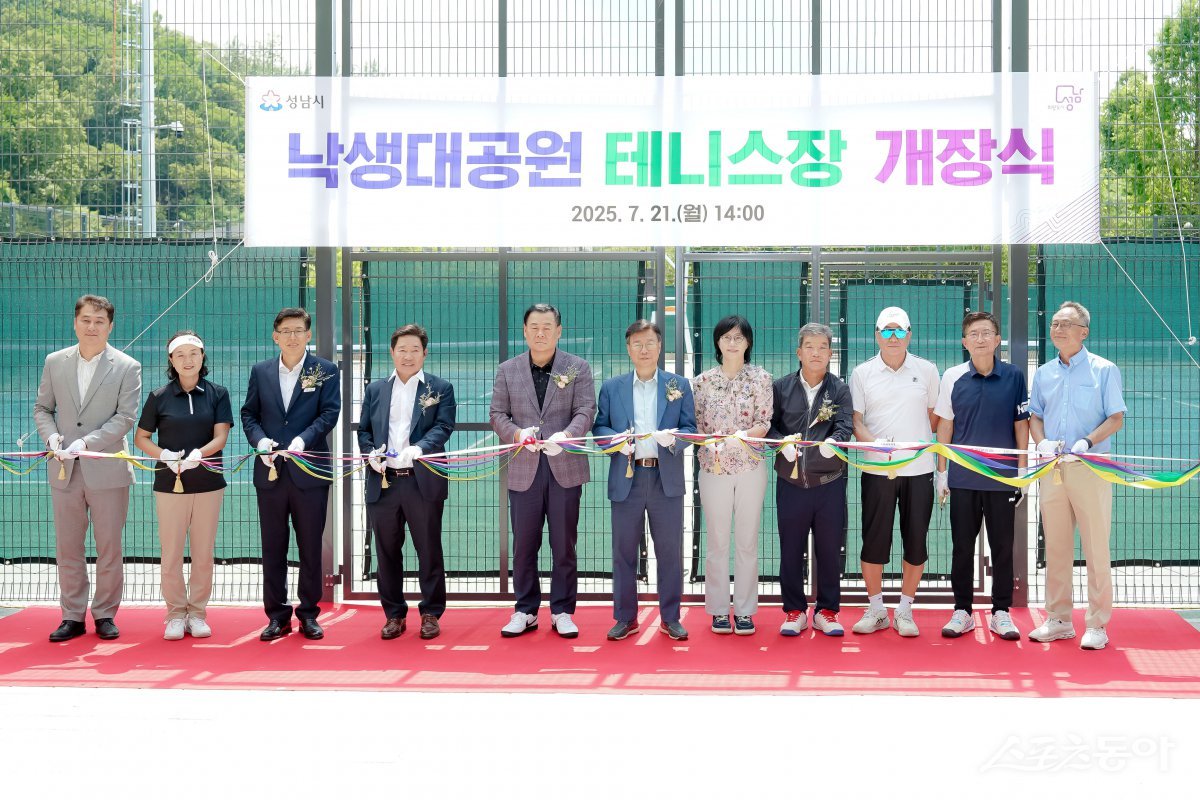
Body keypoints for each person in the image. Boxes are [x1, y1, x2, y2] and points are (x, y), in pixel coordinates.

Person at [33, 294, 141, 643]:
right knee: (68, 547)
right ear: (75, 322)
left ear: (110, 326)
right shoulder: (55, 362)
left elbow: (125, 418)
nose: (92, 326)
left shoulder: (127, 366)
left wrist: (85, 443)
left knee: (109, 546)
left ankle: (105, 614)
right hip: (63, 470)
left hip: (107, 470)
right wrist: (52, 438)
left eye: (99, 321)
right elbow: (42, 409)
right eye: (86, 320)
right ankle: (72, 616)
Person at [489, 303, 596, 638]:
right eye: (534, 327)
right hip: (525, 468)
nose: (540, 333)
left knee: (563, 544)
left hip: (565, 466)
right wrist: (517, 434)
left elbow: (586, 410)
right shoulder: (508, 370)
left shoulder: (577, 367)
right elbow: (497, 414)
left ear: (558, 331)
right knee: (524, 544)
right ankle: (525, 609)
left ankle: (562, 610)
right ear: (524, 331)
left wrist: (567, 436)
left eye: (547, 327)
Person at [1027, 301, 1125, 650]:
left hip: (1091, 468)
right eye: (1055, 323)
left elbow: (1116, 417)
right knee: (1056, 546)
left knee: (1096, 546)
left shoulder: (1104, 370)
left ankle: (1097, 624)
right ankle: (1059, 619)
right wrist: (1041, 442)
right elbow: (1035, 416)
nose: (1057, 329)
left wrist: (1087, 441)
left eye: (1066, 324)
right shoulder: (1043, 373)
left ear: (1084, 332)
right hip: (1052, 468)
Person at [241, 308, 341, 641]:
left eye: (299, 330)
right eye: (286, 331)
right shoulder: (261, 371)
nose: (292, 336)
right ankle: (277, 616)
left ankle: (309, 614)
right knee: (273, 547)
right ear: (276, 336)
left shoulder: (325, 370)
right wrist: (261, 442)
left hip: (309, 471)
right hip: (270, 472)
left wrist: (302, 441)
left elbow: (329, 413)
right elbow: (249, 415)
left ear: (308, 335)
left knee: (310, 545)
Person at [594, 320, 697, 642]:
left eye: (650, 342)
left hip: (665, 479)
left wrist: (674, 440)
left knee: (669, 551)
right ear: (628, 348)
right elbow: (599, 427)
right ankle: (626, 618)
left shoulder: (679, 385)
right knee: (623, 551)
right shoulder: (612, 388)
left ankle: (671, 617)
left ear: (659, 346)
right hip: (627, 477)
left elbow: (691, 429)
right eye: (637, 343)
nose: (644, 349)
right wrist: (616, 441)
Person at [933, 311, 1029, 641]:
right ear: (964, 341)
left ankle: (1001, 612)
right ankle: (962, 610)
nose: (981, 339)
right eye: (974, 334)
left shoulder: (1014, 376)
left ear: (998, 339)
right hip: (962, 479)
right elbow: (945, 426)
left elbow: (1021, 425)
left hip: (1002, 478)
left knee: (1002, 547)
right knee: (962, 547)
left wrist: (1021, 470)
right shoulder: (953, 376)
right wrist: (942, 472)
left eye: (987, 333)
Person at [358, 324, 456, 640]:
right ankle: (394, 614)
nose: (408, 355)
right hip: (383, 481)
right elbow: (364, 430)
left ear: (424, 353)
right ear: (392, 352)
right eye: (402, 349)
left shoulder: (440, 388)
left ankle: (431, 613)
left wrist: (420, 448)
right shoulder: (375, 390)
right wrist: (370, 453)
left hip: (421, 481)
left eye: (415, 350)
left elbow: (443, 426)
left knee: (428, 549)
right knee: (387, 551)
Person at [134, 331, 233, 640]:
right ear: (171, 360)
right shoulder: (158, 396)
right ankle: (176, 614)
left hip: (209, 483)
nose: (188, 360)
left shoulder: (218, 394)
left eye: (193, 353)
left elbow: (221, 436)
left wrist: (198, 455)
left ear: (202, 357)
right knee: (172, 552)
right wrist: (164, 455)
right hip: (169, 484)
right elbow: (141, 438)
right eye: (180, 355)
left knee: (203, 553)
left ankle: (198, 613)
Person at [849, 306, 940, 637]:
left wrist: (912, 443)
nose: (893, 337)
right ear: (876, 335)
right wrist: (877, 445)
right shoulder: (862, 373)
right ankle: (876, 610)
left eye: (899, 330)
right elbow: (856, 421)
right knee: (874, 541)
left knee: (915, 541)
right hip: (877, 470)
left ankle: (904, 610)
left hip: (919, 470)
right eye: (886, 330)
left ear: (909, 335)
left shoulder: (927, 370)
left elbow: (934, 418)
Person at [769, 322, 853, 637]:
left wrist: (835, 442)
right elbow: (769, 425)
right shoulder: (781, 388)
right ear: (799, 352)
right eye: (810, 347)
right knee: (790, 548)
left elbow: (845, 425)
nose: (816, 353)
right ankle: (794, 611)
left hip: (830, 482)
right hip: (791, 483)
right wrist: (782, 443)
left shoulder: (839, 389)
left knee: (830, 550)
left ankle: (827, 611)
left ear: (830, 353)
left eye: (822, 347)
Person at [692, 315, 773, 635]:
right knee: (717, 540)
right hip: (713, 469)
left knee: (747, 541)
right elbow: (697, 425)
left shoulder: (761, 378)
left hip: (751, 467)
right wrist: (711, 443)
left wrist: (739, 437)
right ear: (717, 342)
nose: (732, 342)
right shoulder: (701, 382)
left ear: (748, 342)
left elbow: (764, 422)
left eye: (739, 337)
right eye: (726, 337)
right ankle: (717, 610)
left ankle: (745, 611)